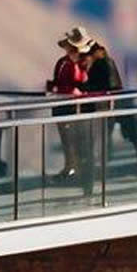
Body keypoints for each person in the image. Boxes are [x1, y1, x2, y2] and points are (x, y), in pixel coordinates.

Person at [80, 39, 137, 179]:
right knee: (121, 138)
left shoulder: (104, 63)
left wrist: (85, 87)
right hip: (115, 104)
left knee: (109, 138)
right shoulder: (102, 63)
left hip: (114, 105)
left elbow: (109, 85)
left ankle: (105, 171)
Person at [46, 27, 92, 188]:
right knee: (67, 140)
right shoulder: (64, 63)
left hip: (76, 106)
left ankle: (77, 170)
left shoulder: (81, 63)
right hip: (63, 104)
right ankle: (70, 168)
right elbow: (60, 82)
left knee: (77, 140)